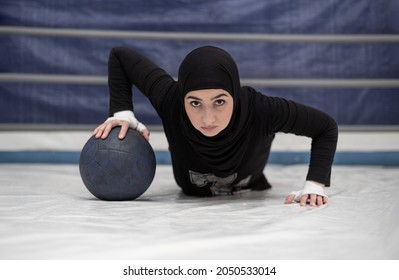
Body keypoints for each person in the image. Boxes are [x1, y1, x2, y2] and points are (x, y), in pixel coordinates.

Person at [93, 45, 338, 207]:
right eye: (195, 103)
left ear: (234, 93)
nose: (207, 119)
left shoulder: (261, 109)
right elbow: (120, 56)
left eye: (219, 102)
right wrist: (122, 112)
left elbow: (325, 127)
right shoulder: (170, 100)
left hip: (251, 192)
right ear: (182, 98)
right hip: (189, 204)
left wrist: (315, 185)